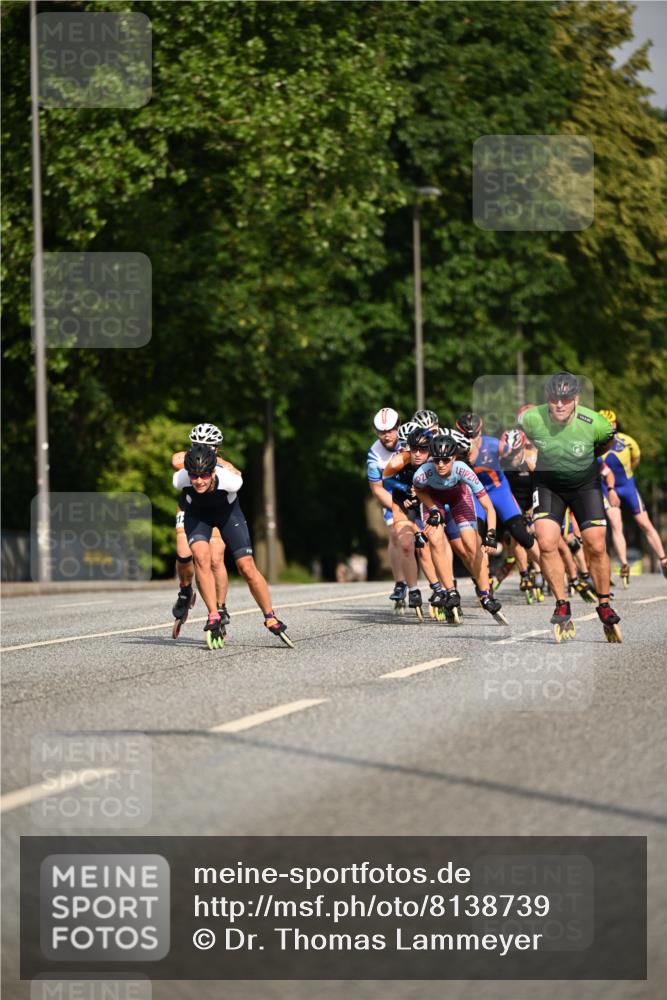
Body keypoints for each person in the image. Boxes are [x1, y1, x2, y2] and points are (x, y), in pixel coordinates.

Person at [518, 372, 621, 642]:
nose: (560, 404)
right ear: (547, 400)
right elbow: (527, 440)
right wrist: (529, 453)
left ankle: (604, 603)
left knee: (596, 543)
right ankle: (562, 601)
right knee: (546, 541)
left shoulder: (594, 422)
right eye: (554, 399)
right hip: (548, 485)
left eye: (566, 399)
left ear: (575, 399)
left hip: (584, 486)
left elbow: (608, 439)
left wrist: (592, 455)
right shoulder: (532, 418)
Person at [173, 444, 292, 648]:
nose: (199, 481)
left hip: (228, 516)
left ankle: (270, 616)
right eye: (194, 476)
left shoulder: (231, 481)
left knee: (246, 566)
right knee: (201, 558)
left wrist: (223, 462)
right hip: (198, 516)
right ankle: (213, 615)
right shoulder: (180, 479)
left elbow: (230, 472)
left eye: (204, 476)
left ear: (213, 472)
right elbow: (176, 459)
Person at [413, 434, 508, 625]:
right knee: (436, 539)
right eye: (436, 460)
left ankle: (485, 594)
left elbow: (489, 507)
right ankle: (450, 592)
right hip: (435, 501)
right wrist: (432, 508)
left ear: (454, 458)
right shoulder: (423, 473)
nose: (441, 464)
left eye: (446, 460)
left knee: (471, 546)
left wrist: (490, 534)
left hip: (459, 499)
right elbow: (420, 490)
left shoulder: (463, 471)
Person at [171, 423, 238, 635]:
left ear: (217, 448)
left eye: (209, 446)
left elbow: (236, 473)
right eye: (198, 445)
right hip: (190, 507)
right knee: (183, 553)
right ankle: (185, 591)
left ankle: (220, 607)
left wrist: (220, 463)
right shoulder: (187, 456)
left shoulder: (223, 464)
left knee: (216, 558)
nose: (203, 448)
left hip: (216, 510)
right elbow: (175, 460)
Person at [598, 408, 667, 582]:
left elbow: (636, 458)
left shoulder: (628, 441)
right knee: (615, 524)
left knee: (644, 523)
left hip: (627, 486)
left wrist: (629, 474)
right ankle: (624, 564)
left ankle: (663, 559)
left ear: (614, 424)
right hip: (607, 488)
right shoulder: (594, 444)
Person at [366, 407, 417, 605]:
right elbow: (377, 489)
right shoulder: (374, 455)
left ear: (398, 427)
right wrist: (399, 508)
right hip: (391, 494)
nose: (386, 436)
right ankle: (400, 582)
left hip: (415, 490)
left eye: (390, 430)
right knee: (395, 533)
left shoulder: (409, 440)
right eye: (381, 431)